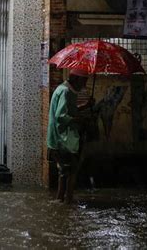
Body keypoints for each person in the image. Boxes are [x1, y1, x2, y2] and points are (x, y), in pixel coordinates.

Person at [47, 69, 94, 204]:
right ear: (76, 79)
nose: (84, 85)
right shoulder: (66, 92)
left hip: (57, 140)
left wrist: (85, 106)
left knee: (64, 170)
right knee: (72, 169)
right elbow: (61, 116)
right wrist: (78, 120)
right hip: (61, 140)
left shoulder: (63, 89)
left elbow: (68, 109)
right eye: (84, 81)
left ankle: (61, 200)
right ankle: (67, 200)